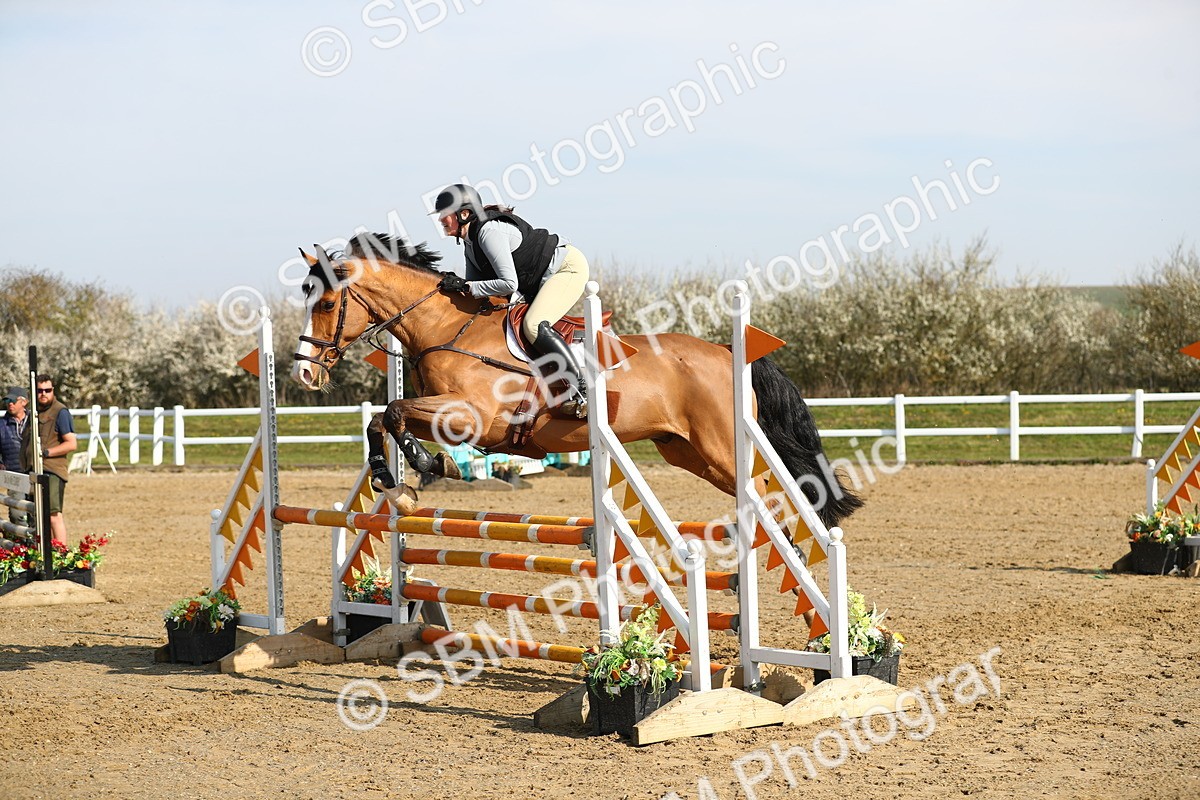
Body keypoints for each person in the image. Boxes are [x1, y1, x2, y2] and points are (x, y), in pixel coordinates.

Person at [432, 184, 591, 418]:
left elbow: (508, 284)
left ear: (463, 213)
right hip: (539, 278)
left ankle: (580, 389)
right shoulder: (469, 242)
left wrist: (466, 286)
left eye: (444, 214)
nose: (441, 220)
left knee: (534, 325)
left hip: (565, 269)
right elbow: (479, 291)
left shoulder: (488, 232)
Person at [20, 376, 76, 545]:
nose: (43, 394)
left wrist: (46, 453)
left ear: (53, 391)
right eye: (39, 391)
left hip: (51, 471)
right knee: (38, 516)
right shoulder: (34, 412)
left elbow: (71, 443)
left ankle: (62, 554)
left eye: (47, 390)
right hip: (33, 470)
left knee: (53, 515)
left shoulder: (60, 412)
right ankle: (46, 554)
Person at [1, 387, 31, 540]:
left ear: (23, 402)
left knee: (35, 513)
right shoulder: (1, 424)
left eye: (13, 401)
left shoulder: (35, 421)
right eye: (7, 401)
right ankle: (20, 546)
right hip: (14, 474)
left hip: (33, 473)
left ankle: (35, 546)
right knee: (17, 514)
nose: (9, 404)